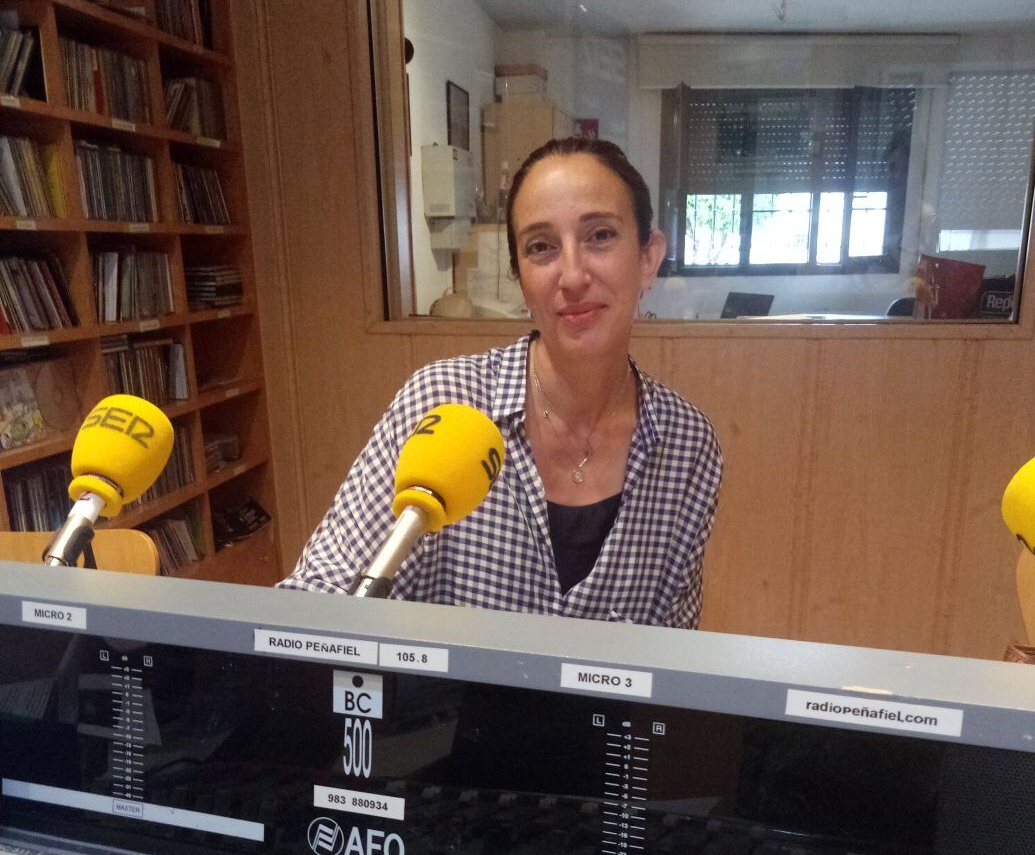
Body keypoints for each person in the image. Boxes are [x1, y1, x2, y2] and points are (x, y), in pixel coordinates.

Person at [280, 137, 722, 627]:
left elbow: (673, 646)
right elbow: (320, 590)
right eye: (541, 247)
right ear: (519, 276)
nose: (572, 276)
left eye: (600, 235)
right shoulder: (444, 403)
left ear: (647, 258)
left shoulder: (688, 445)